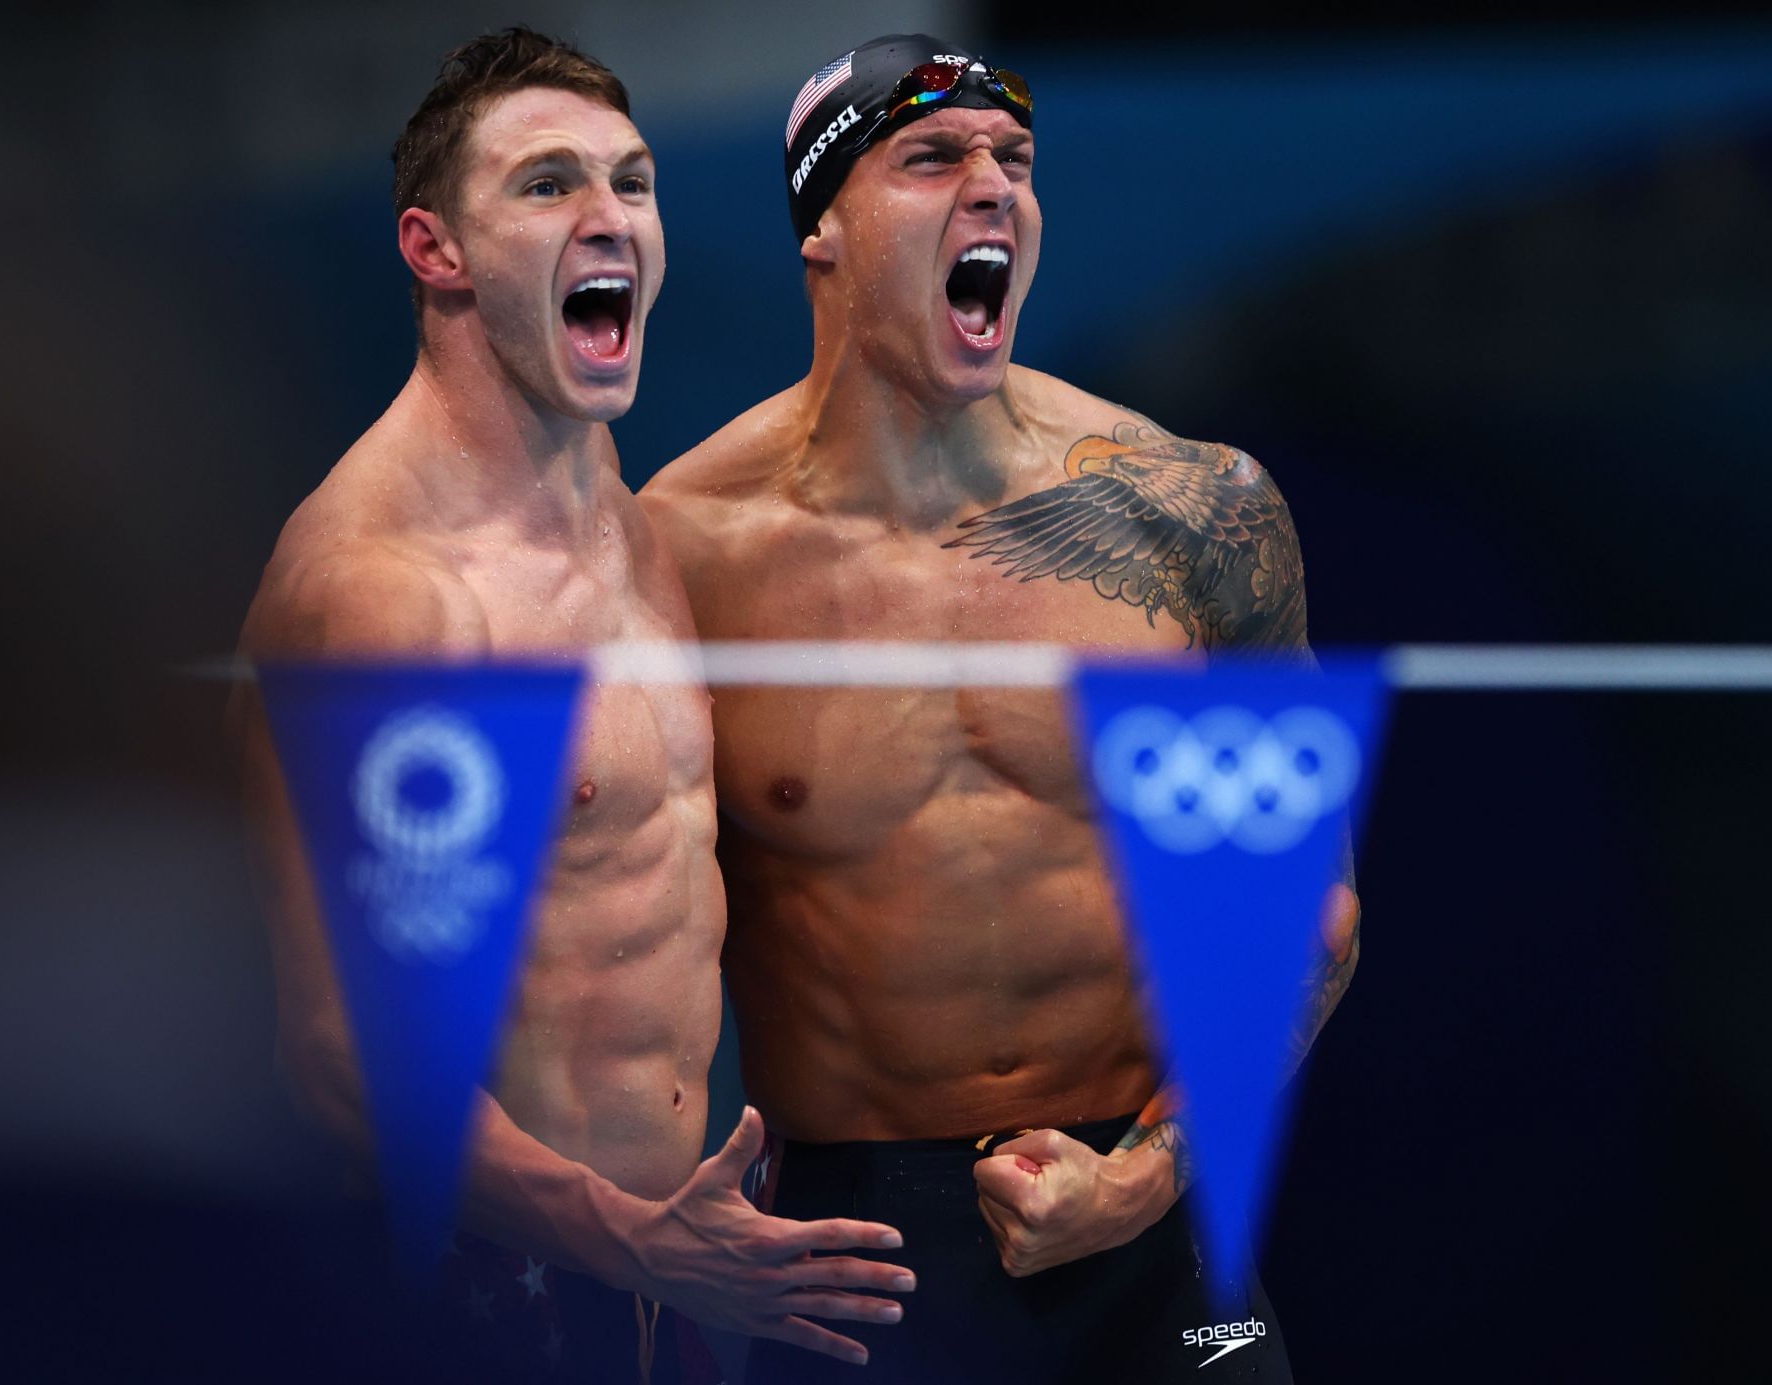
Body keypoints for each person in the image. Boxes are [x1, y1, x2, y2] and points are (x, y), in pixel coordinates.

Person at [642, 34, 1360, 1383]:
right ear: (826, 234)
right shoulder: (676, 556)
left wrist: (1139, 1183)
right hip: (846, 1255)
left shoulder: (1192, 511)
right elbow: (594, 941)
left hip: (1159, 1225)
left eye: (1013, 159)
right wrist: (633, 1232)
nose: (993, 187)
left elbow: (1308, 907)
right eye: (931, 157)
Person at [232, 28, 912, 1382]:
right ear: (437, 251)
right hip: (479, 1289)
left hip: (667, 1277)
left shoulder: (632, 523)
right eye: (548, 185)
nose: (611, 217)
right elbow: (341, 1061)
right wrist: (626, 1233)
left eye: (634, 182)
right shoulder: (392, 595)